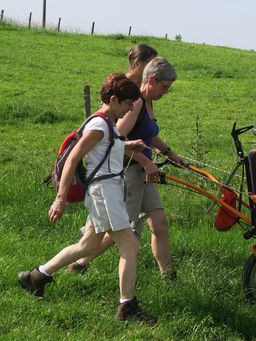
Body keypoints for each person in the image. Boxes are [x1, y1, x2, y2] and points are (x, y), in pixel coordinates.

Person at [18, 73, 155, 323]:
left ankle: (36, 277)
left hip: (108, 191)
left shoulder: (108, 124)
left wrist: (127, 146)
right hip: (105, 193)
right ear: (114, 100)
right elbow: (73, 159)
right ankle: (127, 307)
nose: (128, 111)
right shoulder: (99, 125)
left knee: (88, 246)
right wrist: (60, 198)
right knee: (130, 245)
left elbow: (103, 147)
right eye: (126, 105)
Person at [70, 57, 182, 280]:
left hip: (143, 174)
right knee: (118, 231)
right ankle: (79, 262)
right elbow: (117, 139)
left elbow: (150, 133)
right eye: (164, 86)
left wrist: (170, 152)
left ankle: (168, 276)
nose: (166, 92)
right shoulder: (137, 102)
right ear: (150, 80)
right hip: (130, 172)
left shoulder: (148, 102)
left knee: (160, 224)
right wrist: (146, 161)